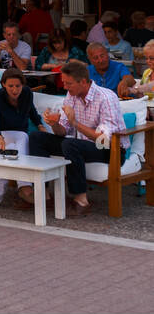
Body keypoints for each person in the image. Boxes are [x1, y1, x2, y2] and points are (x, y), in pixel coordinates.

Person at [24, 60, 126, 217]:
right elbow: (63, 132)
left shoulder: (106, 98)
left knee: (70, 144)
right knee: (37, 137)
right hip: (81, 144)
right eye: (64, 83)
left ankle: (81, 200)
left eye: (68, 83)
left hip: (110, 149)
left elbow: (104, 140)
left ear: (83, 82)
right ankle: (43, 195)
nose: (65, 87)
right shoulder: (71, 95)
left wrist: (74, 123)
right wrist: (55, 124)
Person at [0, 68, 43, 208]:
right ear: (3, 84)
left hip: (17, 136)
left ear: (23, 85)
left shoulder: (27, 94)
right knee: (15, 146)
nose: (14, 90)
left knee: (16, 145)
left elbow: (32, 112)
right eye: (10, 86)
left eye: (18, 86)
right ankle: (25, 186)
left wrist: (40, 125)